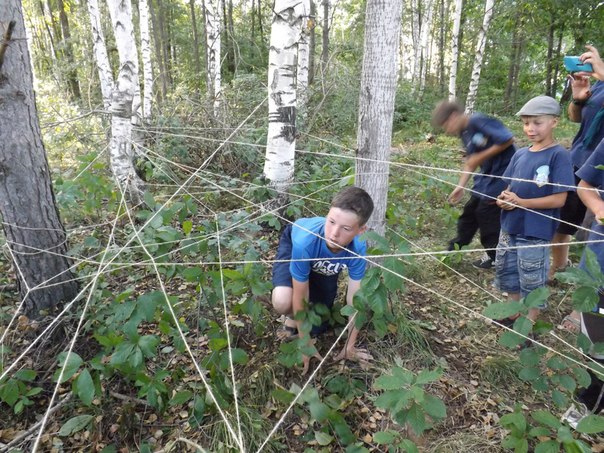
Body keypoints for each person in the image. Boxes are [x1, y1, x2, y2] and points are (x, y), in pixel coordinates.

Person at [271, 186, 374, 374]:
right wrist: (305, 343)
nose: (333, 233)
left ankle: (314, 285)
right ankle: (291, 318)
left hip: (324, 261)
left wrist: (350, 345)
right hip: (296, 245)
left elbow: (355, 298)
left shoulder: (358, 248)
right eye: (331, 221)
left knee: (318, 326)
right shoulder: (304, 242)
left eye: (345, 228)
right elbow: (301, 294)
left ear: (361, 230)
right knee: (283, 301)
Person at [494, 96, 575, 326]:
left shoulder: (558, 155)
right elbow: (508, 188)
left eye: (537, 122)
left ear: (554, 122)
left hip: (535, 231)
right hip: (510, 226)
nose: (530, 128)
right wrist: (503, 200)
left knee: (532, 276)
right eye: (526, 123)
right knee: (508, 270)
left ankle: (528, 322)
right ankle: (512, 313)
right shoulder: (520, 153)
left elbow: (559, 199)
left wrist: (522, 203)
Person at [554, 45, 604, 332]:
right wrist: (578, 96)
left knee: (595, 237)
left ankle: (582, 310)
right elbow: (576, 117)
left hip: (601, 173)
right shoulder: (599, 86)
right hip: (580, 159)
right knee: (563, 218)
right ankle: (558, 267)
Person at [431, 100, 516, 269]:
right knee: (470, 211)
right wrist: (460, 187)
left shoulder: (478, 121)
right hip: (486, 177)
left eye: (446, 125)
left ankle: (497, 257)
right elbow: (471, 161)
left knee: (487, 215)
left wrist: (481, 156)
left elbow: (507, 139)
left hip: (503, 175)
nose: (447, 130)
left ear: (453, 116)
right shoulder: (464, 132)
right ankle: (454, 247)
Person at [561, 139, 604, 424]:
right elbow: (585, 185)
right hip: (600, 266)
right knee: (596, 341)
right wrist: (599, 207)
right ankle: (592, 403)